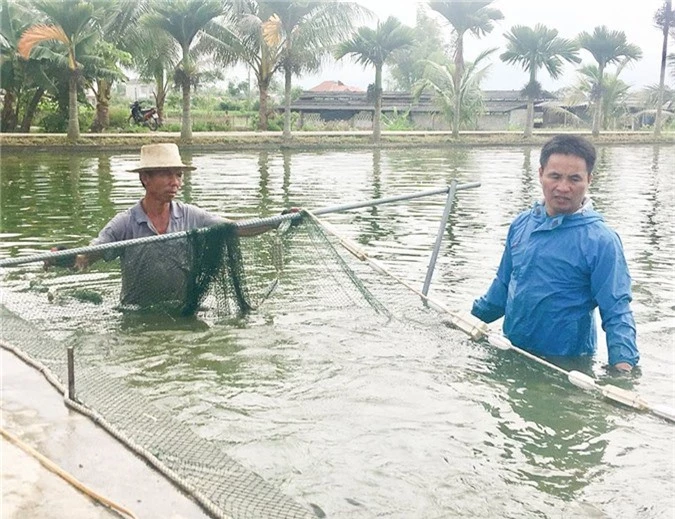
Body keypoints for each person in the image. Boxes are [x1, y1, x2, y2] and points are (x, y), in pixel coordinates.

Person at [471, 135, 639, 372]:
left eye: (574, 179)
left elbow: (617, 311)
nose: (563, 187)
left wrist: (623, 372)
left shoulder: (602, 241)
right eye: (555, 176)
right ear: (541, 174)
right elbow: (502, 287)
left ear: (589, 179)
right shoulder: (521, 225)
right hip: (512, 352)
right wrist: (469, 319)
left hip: (568, 366)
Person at [74, 143, 291, 307]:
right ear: (145, 179)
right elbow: (90, 254)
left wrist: (277, 221)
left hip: (183, 309)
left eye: (178, 175)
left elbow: (235, 228)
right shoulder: (125, 223)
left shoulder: (190, 215)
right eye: (166, 174)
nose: (175, 182)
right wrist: (66, 257)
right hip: (136, 312)